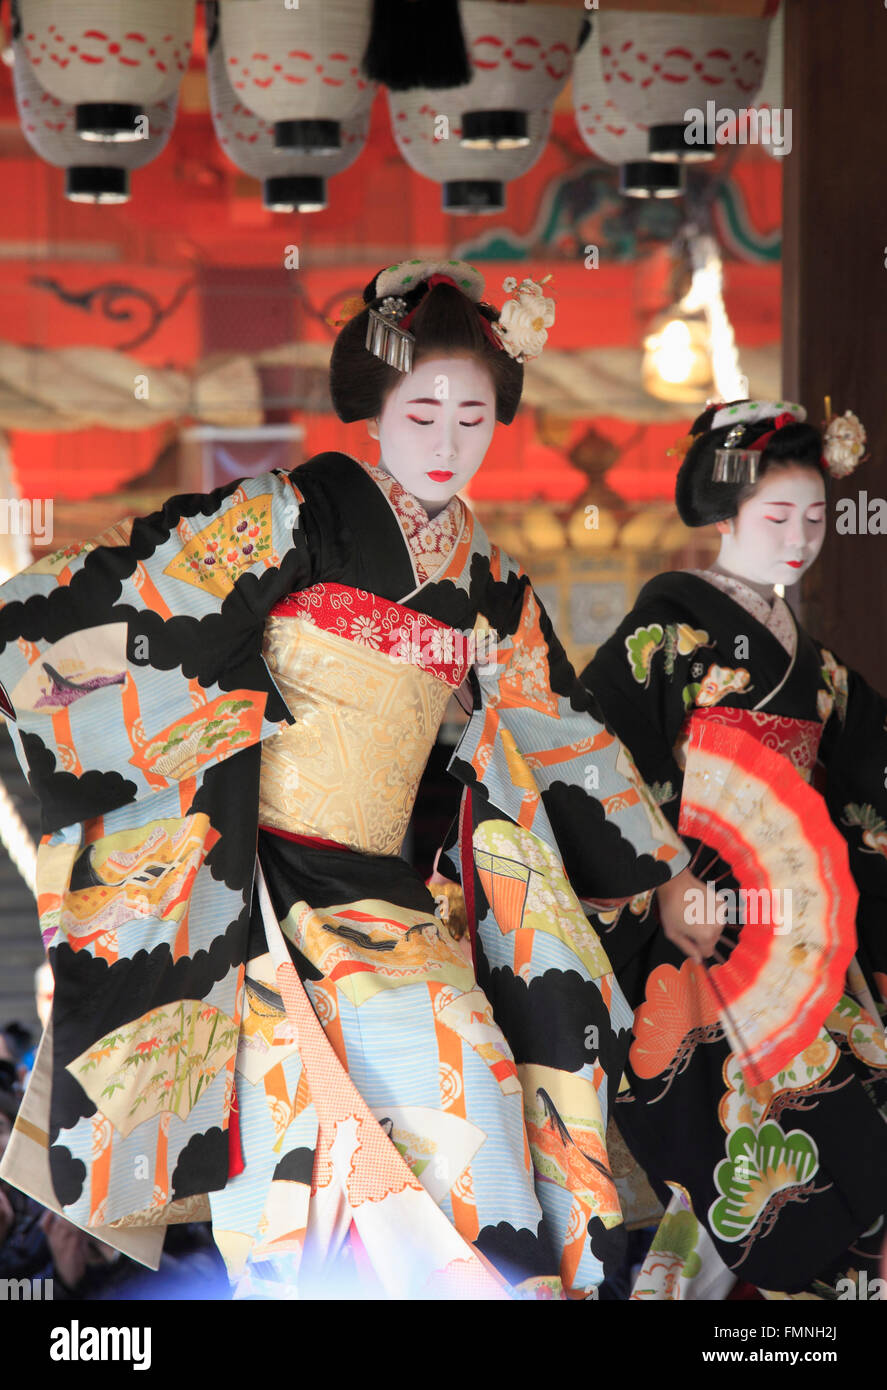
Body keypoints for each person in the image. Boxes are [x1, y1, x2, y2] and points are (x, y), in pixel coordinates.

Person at [0, 259, 714, 1300]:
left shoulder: (484, 575)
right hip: (257, 892)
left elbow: (559, 729)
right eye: (421, 409)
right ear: (374, 411)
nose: (446, 436)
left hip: (387, 893)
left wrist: (652, 871)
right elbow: (149, 597)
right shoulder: (298, 512)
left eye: (472, 415)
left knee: (473, 1083)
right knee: (287, 1155)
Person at [581, 399, 887, 1299]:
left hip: (788, 926)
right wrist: (666, 874)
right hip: (690, 932)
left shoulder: (820, 671)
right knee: (752, 1137)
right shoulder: (666, 631)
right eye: (775, 517)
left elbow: (865, 779)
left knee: (856, 1097)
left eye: (814, 518)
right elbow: (595, 756)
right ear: (723, 518)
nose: (798, 538)